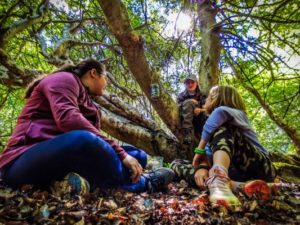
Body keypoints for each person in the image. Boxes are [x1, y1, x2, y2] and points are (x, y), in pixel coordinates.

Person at [0, 58, 174, 194]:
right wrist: (120, 154)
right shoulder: (65, 79)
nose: (106, 84)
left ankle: (86, 184)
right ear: (93, 73)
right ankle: (141, 184)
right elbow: (68, 119)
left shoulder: (86, 100)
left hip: (58, 160)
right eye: (106, 78)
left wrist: (123, 154)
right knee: (84, 139)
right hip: (19, 162)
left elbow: (97, 147)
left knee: (138, 155)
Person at [171, 85, 276, 207]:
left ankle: (219, 179)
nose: (205, 100)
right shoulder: (215, 125)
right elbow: (211, 153)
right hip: (233, 173)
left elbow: (220, 113)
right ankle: (235, 185)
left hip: (262, 167)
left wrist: (199, 150)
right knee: (177, 163)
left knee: (222, 127)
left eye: (209, 97)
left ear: (216, 98)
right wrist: (202, 167)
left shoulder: (235, 114)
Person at [176, 75, 207, 145]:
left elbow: (208, 109)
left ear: (196, 83)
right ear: (185, 85)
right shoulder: (181, 96)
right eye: (188, 83)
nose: (190, 84)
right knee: (188, 103)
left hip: (200, 121)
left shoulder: (202, 95)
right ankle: (188, 134)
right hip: (185, 122)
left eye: (192, 82)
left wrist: (200, 110)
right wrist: (189, 101)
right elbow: (177, 107)